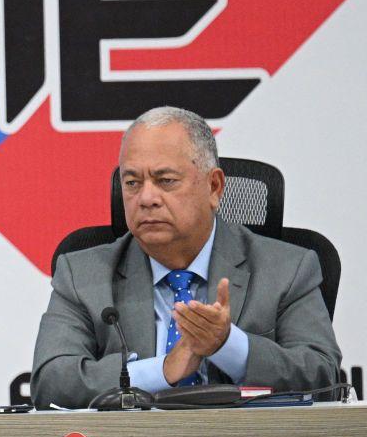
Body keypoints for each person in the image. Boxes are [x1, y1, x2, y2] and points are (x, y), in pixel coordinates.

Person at [31, 106, 341, 409]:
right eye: (132, 183)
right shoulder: (83, 274)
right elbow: (51, 383)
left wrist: (228, 345)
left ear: (214, 187)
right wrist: (162, 370)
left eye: (165, 180)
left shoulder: (287, 268)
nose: (147, 199)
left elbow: (323, 377)